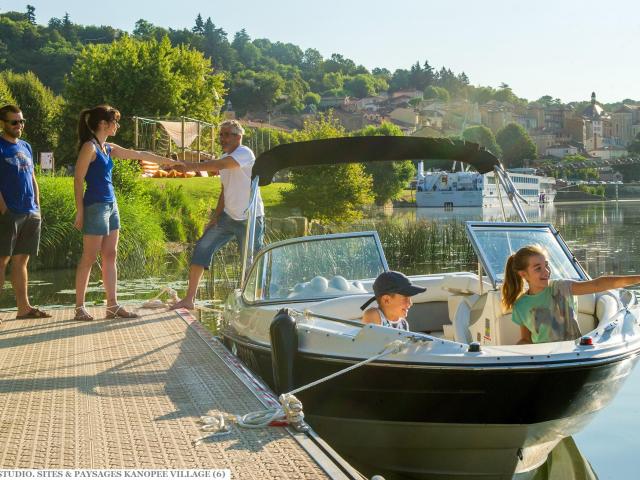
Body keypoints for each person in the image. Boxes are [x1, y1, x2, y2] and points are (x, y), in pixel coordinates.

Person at [73, 105, 181, 321]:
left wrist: (169, 162)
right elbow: (77, 179)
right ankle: (79, 308)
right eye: (115, 121)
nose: (118, 125)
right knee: (89, 256)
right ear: (103, 124)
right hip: (95, 206)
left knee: (110, 254)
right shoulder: (90, 148)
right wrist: (80, 211)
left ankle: (112, 306)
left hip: (111, 205)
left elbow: (139, 154)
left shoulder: (107, 147)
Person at [171, 119, 265, 310]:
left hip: (250, 218)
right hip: (227, 217)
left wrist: (190, 167)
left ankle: (256, 302)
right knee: (202, 248)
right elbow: (225, 190)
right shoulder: (225, 157)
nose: (222, 138)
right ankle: (189, 300)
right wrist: (215, 216)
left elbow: (223, 164)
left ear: (239, 137)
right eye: (221, 135)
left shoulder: (245, 153)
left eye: (227, 134)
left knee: (252, 261)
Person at [502, 244, 640, 344]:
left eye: (547, 265)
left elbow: (598, 284)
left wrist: (637, 278)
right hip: (543, 360)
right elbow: (526, 339)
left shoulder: (561, 287)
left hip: (572, 353)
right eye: (538, 268)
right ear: (523, 274)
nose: (546, 271)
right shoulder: (520, 305)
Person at [0, 104, 51, 319]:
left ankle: (24, 309)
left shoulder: (26, 146)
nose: (19, 125)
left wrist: (37, 204)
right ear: (3, 124)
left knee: (21, 261)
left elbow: (31, 176)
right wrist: (3, 208)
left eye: (21, 121)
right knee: (1, 260)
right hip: (9, 212)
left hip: (30, 211)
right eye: (14, 122)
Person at [359, 271, 426, 331]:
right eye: (405, 298)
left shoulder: (403, 323)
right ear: (386, 300)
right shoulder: (373, 315)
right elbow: (369, 343)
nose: (410, 303)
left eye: (410, 298)